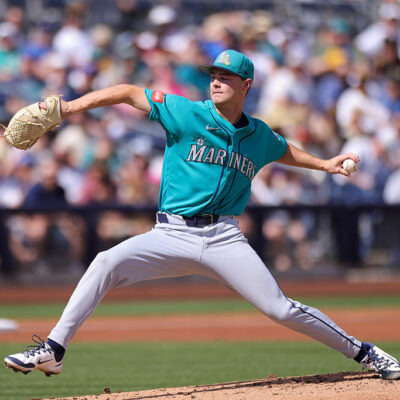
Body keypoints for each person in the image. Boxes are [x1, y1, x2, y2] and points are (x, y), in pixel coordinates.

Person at [4, 49, 400, 380]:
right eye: (213, 74)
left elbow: (284, 150)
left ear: (246, 85)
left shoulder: (258, 134)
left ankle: (364, 353)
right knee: (105, 261)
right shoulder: (186, 113)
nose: (216, 81)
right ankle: (54, 349)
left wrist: (326, 164)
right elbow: (127, 92)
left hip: (224, 239)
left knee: (280, 309)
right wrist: (70, 106)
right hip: (170, 234)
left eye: (226, 76)